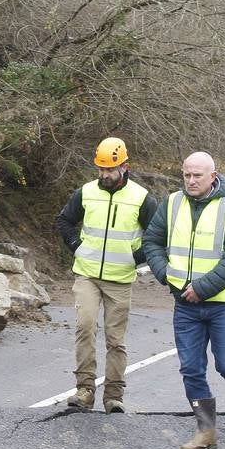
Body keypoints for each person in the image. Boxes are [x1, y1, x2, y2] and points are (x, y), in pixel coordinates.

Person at [142, 151, 225, 449]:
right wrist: (166, 276)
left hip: (224, 303)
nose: (191, 180)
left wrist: (202, 288)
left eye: (197, 175)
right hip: (185, 304)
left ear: (213, 176)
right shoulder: (172, 203)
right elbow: (152, 242)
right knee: (191, 368)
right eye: (186, 174)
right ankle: (205, 430)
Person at [54, 136, 158, 413]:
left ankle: (114, 396)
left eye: (110, 169)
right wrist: (76, 246)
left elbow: (158, 236)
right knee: (85, 327)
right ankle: (85, 389)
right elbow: (63, 221)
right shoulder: (86, 192)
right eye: (100, 169)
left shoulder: (142, 199)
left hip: (121, 279)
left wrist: (136, 258)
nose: (104, 174)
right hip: (87, 275)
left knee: (115, 339)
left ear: (125, 166)